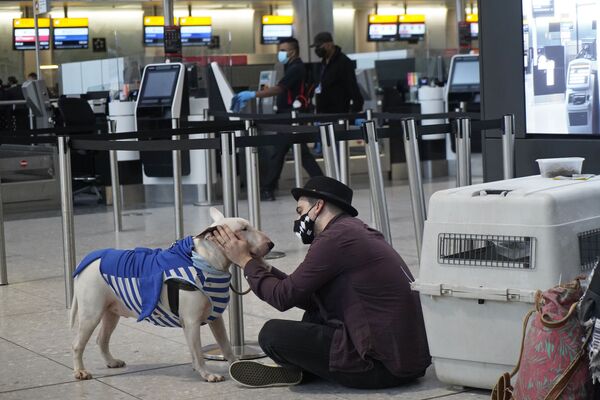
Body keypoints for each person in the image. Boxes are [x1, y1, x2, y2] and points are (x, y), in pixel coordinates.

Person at [208, 176, 431, 389]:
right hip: (405, 360)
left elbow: (282, 297)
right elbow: (305, 295)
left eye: (301, 211)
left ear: (318, 207)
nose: (298, 220)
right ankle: (307, 367)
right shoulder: (352, 232)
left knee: (272, 334)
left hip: (381, 366)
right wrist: (260, 265)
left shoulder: (334, 240)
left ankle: (303, 369)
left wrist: (245, 261)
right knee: (315, 315)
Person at [231, 38, 323, 201]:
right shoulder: (291, 67)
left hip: (289, 116)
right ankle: (322, 184)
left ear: (292, 51)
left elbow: (279, 89)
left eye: (283, 49)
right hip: (288, 115)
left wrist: (253, 94)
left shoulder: (296, 68)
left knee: (281, 152)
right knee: (298, 152)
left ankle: (268, 188)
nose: (280, 53)